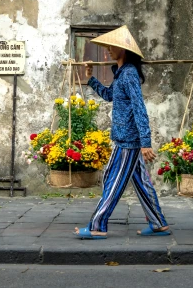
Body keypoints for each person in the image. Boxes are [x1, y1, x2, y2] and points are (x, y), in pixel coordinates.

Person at [74, 26, 170, 239]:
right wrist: (91, 79)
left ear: (123, 49)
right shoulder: (122, 74)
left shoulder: (129, 74)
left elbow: (139, 108)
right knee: (142, 183)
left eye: (111, 46)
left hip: (128, 141)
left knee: (113, 180)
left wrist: (145, 142)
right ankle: (158, 223)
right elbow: (110, 96)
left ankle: (97, 225)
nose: (108, 49)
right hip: (126, 139)